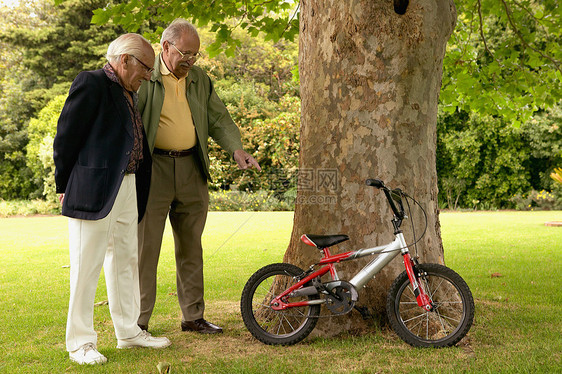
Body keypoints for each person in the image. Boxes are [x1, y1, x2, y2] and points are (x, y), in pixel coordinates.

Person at [53, 33, 171, 365]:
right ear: (124, 61)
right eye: (145, 68)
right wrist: (65, 184)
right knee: (85, 267)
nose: (148, 76)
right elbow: (66, 137)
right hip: (92, 190)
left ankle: (128, 332)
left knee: (124, 262)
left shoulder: (127, 89)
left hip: (128, 187)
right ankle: (80, 343)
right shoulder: (90, 83)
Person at [137, 19, 261, 334]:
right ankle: (138, 322)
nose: (191, 60)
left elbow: (219, 118)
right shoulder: (145, 75)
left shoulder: (199, 80)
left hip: (192, 169)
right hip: (154, 171)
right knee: (145, 249)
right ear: (166, 47)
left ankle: (193, 317)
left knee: (192, 246)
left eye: (196, 55)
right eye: (186, 53)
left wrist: (236, 150)